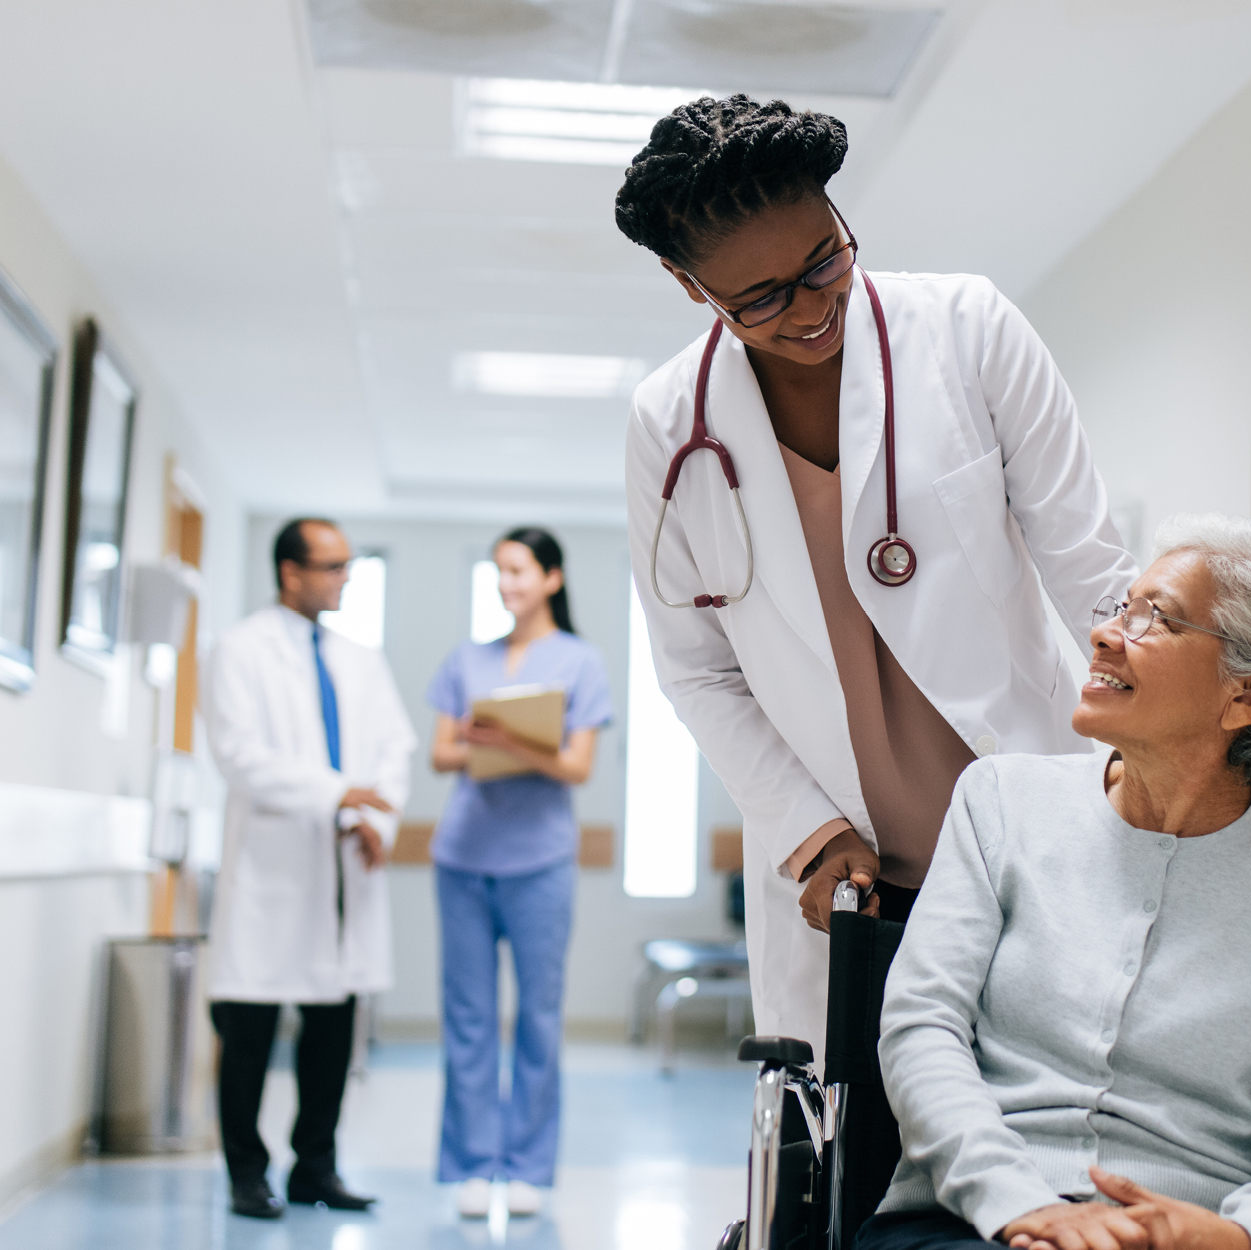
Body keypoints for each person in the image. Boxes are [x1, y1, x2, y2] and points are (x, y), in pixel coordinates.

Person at [616, 95, 1136, 1054]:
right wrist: (808, 832)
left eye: (825, 261)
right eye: (762, 298)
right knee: (850, 1169)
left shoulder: (967, 330)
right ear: (688, 284)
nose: (813, 310)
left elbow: (1092, 569)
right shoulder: (668, 423)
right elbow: (696, 667)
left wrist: (1171, 745)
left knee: (1049, 1144)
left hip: (1028, 828)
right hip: (843, 876)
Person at [862, 514, 1251, 1250]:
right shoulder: (1001, 801)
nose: (1106, 634)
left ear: (1250, 694)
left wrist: (1240, 1236)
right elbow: (922, 1029)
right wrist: (1019, 1205)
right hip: (966, 1222)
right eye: (1122, 607)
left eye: (1157, 619)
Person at [202, 518, 416, 1220]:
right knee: (251, 1032)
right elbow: (239, 755)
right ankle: (246, 1173)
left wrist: (373, 819)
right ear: (291, 572)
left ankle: (314, 1168)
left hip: (344, 862)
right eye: (332, 567)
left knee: (332, 1027)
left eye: (348, 565)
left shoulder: (360, 659)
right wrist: (335, 793)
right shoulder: (239, 650)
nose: (344, 578)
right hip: (275, 862)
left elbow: (393, 748)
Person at [424, 527, 612, 1220]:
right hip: (462, 858)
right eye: (499, 571)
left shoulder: (580, 662)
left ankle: (528, 1167)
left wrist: (515, 743)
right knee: (468, 1019)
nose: (508, 583)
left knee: (537, 1016)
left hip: (540, 864)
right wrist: (476, 740)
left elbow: (577, 767)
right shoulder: (466, 660)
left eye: (520, 571)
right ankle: (473, 1166)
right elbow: (440, 755)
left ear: (552, 579)